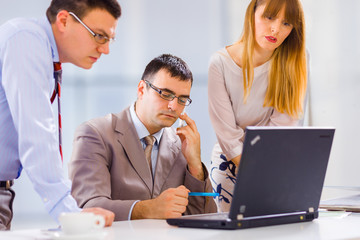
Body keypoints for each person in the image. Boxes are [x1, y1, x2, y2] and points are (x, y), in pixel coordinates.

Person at [0, 0, 121, 230]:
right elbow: (37, 135)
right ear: (64, 20)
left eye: (109, 39)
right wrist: (69, 213)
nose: (105, 49)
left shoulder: (42, 52)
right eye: (99, 36)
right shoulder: (26, 40)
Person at [69, 54, 217, 221]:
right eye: (165, 94)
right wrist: (147, 209)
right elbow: (86, 207)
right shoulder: (95, 134)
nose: (173, 106)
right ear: (141, 90)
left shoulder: (181, 145)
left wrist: (195, 165)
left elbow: (205, 219)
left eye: (182, 99)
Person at [208, 0, 308, 212]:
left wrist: (269, 174)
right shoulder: (220, 63)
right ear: (252, 13)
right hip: (230, 165)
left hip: (274, 164)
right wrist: (259, 172)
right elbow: (228, 135)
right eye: (269, 17)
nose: (275, 29)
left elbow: (283, 128)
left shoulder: (296, 60)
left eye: (287, 23)